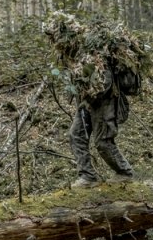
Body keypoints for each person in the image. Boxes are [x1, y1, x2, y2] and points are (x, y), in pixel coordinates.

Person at [45, 12, 146, 188]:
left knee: (103, 142)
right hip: (87, 103)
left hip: (104, 102)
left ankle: (125, 173)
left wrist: (88, 91)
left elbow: (104, 81)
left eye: (56, 36)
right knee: (76, 134)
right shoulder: (71, 53)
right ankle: (88, 177)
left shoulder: (89, 49)